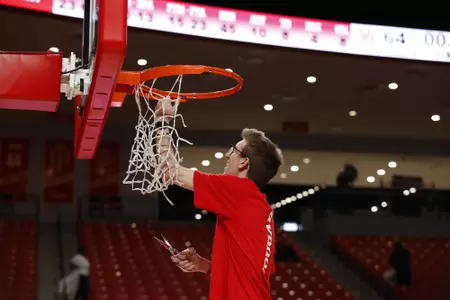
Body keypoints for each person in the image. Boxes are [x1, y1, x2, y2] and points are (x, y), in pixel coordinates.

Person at [156, 101, 283, 299]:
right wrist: (203, 265)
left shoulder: (239, 190)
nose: (227, 154)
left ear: (244, 162)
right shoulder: (261, 209)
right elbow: (244, 277)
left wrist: (162, 121)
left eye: (233, 149)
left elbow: (170, 171)